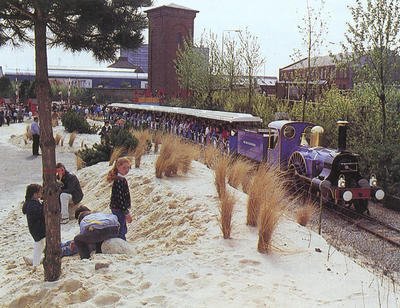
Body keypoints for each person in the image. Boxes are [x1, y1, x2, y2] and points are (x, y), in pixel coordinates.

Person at [22, 184, 77, 267]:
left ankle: (36, 262)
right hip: (38, 230)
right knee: (40, 246)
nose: (41, 194)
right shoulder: (33, 205)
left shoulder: (30, 203)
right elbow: (41, 213)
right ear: (35, 194)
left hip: (35, 229)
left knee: (40, 246)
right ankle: (36, 263)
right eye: (40, 192)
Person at [106, 157, 132, 240]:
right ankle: (121, 242)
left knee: (122, 226)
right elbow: (120, 198)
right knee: (121, 228)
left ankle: (121, 240)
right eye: (124, 168)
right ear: (118, 167)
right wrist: (126, 212)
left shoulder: (120, 179)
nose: (126, 170)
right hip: (118, 208)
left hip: (117, 207)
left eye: (128, 168)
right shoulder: (119, 180)